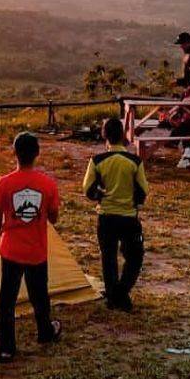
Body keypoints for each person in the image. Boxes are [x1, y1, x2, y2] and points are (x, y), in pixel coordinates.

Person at [0, 132, 63, 364]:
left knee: (7, 300)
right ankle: (45, 332)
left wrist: (3, 232)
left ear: (15, 153)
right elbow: (53, 218)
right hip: (36, 250)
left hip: (11, 249)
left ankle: (6, 348)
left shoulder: (4, 183)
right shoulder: (47, 184)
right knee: (39, 295)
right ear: (37, 153)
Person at [83, 116, 149, 311]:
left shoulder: (97, 161)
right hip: (128, 217)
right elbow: (143, 191)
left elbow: (88, 190)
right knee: (135, 258)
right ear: (123, 135)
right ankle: (121, 293)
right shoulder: (134, 161)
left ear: (105, 136)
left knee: (108, 258)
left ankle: (113, 296)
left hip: (106, 217)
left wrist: (101, 195)